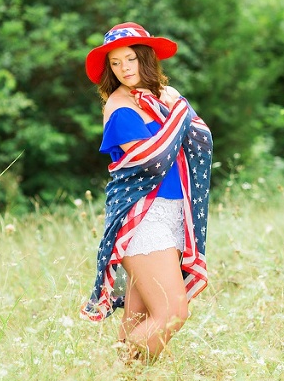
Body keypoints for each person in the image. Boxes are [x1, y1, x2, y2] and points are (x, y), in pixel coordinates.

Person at [80, 22, 213, 363]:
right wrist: (181, 112)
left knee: (138, 318)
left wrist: (177, 111)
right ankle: (105, 377)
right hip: (141, 216)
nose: (124, 68)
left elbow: (201, 138)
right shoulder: (120, 107)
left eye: (130, 59)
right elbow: (151, 160)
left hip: (173, 212)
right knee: (172, 312)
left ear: (145, 58)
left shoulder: (163, 98)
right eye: (115, 63)